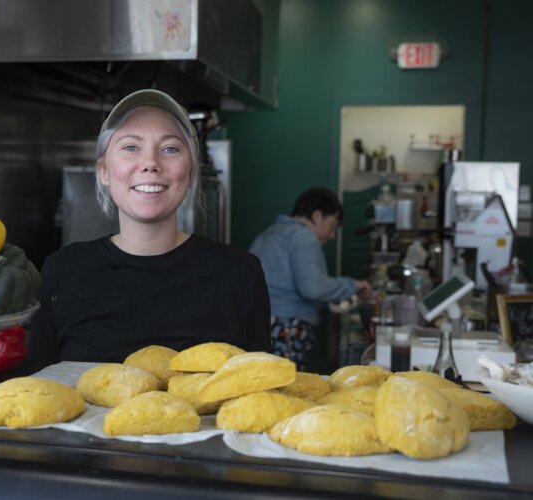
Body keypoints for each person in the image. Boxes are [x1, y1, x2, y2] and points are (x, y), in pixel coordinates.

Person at [29, 89, 271, 370]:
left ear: (191, 172)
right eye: (131, 147)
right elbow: (41, 388)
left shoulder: (239, 274)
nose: (150, 164)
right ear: (103, 171)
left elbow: (258, 389)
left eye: (170, 148)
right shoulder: (63, 271)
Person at [249, 187, 371, 369]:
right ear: (317, 215)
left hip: (260, 324)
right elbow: (313, 288)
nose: (332, 235)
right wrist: (353, 285)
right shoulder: (303, 237)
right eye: (332, 226)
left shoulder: (270, 233)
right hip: (287, 327)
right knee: (286, 385)